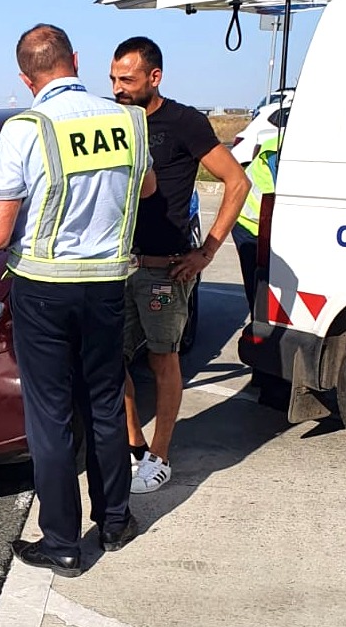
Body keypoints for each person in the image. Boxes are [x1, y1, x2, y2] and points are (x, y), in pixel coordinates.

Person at [0, 24, 157, 577]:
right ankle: (116, 521)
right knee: (105, 403)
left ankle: (61, 543)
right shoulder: (127, 120)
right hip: (106, 285)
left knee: (51, 416)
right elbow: (148, 188)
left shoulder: (25, 128)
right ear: (75, 60)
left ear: (25, 78)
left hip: (43, 290)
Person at [110, 37, 250, 494]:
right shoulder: (114, 122)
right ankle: (134, 444)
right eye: (113, 79)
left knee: (162, 358)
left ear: (155, 77)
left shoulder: (184, 122)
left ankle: (160, 456)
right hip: (118, 266)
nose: (118, 89)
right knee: (110, 359)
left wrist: (206, 252)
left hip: (165, 271)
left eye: (127, 79)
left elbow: (237, 181)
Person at [232, 134, 280, 311]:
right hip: (249, 225)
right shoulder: (276, 152)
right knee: (259, 287)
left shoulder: (276, 144)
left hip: (260, 221)